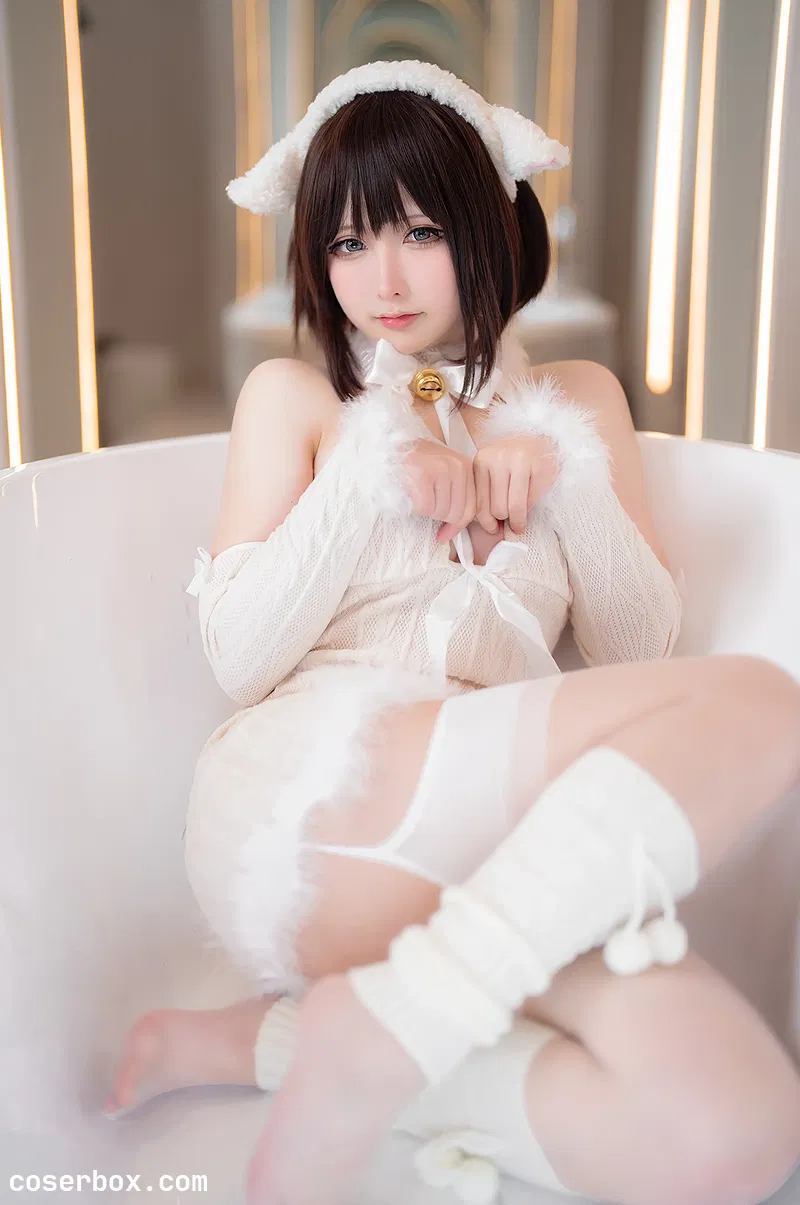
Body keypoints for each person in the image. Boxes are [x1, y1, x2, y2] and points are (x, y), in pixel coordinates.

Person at [104, 60, 800, 1205]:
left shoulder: (575, 396)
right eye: (345, 242)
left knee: (736, 1126)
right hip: (317, 794)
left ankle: (289, 1039)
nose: (379, 278)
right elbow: (239, 658)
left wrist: (560, 467)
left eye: (419, 231)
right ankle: (390, 1021)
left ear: (486, 226)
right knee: (767, 702)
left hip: (492, 856)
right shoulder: (295, 398)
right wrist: (372, 461)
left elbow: (638, 654)